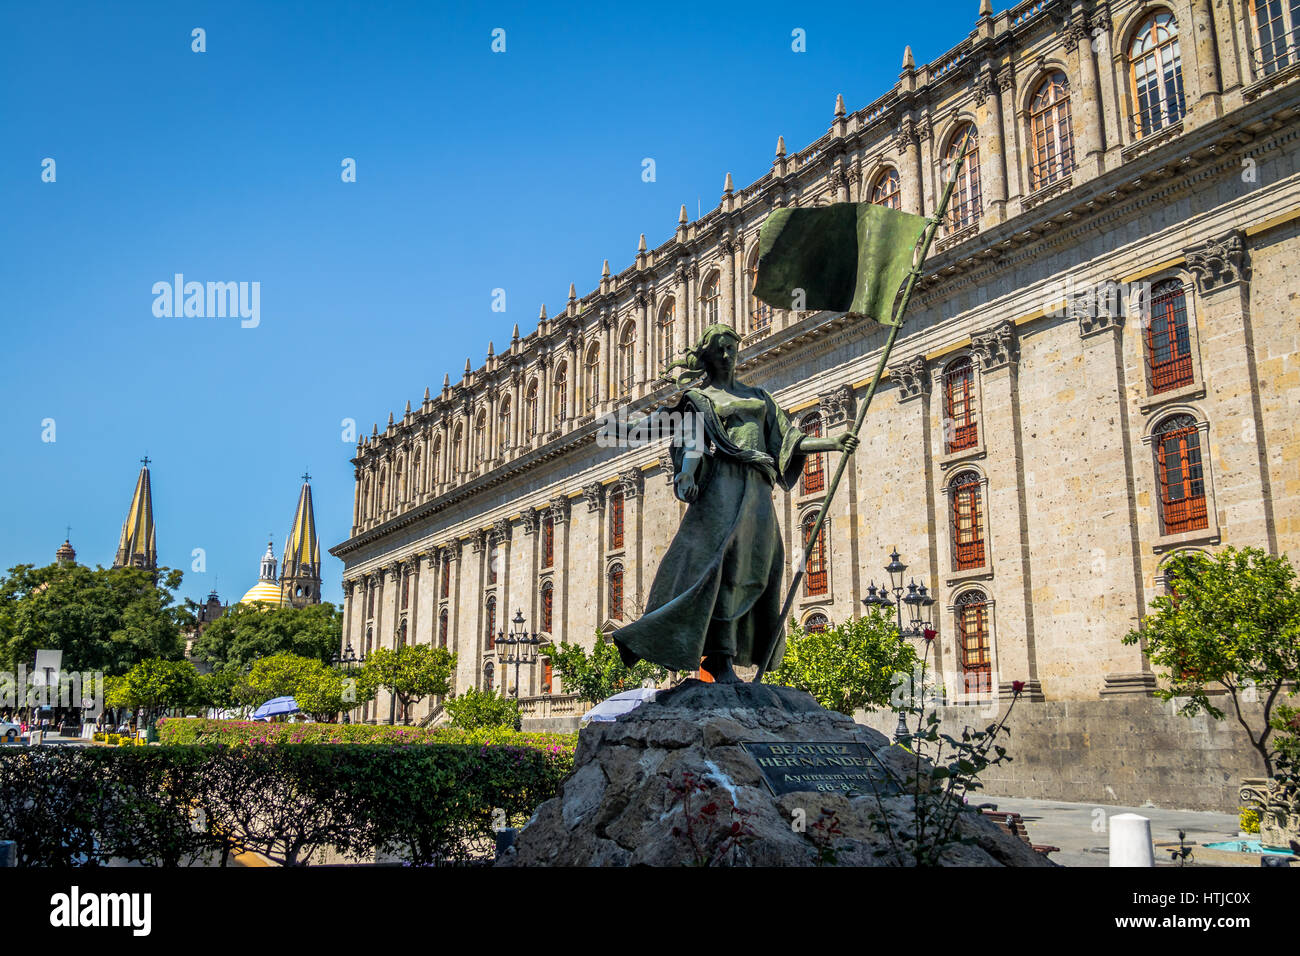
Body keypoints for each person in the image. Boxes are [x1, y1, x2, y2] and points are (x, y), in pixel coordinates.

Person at [613, 323, 857, 683]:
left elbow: (788, 439)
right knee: (721, 568)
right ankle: (718, 658)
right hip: (724, 486)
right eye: (719, 349)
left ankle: (736, 653)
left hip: (758, 487)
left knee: (758, 567)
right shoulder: (701, 400)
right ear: (706, 356)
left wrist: (833, 443)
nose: (727, 355)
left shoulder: (759, 397)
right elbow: (693, 443)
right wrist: (685, 476)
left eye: (732, 348)